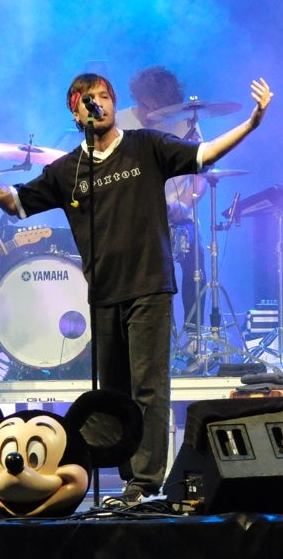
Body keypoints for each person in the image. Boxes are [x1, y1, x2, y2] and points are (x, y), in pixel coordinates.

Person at [0, 72, 273, 505]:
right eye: (88, 99)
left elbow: (204, 155)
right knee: (112, 394)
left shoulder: (146, 145)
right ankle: (125, 483)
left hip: (149, 286)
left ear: (114, 104)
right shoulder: (69, 169)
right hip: (102, 293)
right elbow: (15, 202)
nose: (96, 104)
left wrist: (252, 123)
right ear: (75, 110)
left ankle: (145, 481)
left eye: (104, 97)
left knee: (149, 389)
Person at [120, 65, 208, 351]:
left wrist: (185, 202)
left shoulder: (185, 126)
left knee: (196, 264)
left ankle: (194, 339)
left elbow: (201, 179)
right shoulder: (120, 124)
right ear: (140, 98)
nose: (153, 114)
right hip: (135, 222)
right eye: (149, 107)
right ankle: (154, 341)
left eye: (161, 109)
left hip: (178, 218)